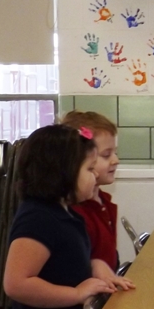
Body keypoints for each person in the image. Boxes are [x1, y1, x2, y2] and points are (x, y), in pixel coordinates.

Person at [0, 125, 132, 309]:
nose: (95, 176)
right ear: (61, 173)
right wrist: (76, 293)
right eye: (89, 169)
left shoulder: (66, 213)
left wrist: (97, 266)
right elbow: (17, 283)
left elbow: (71, 258)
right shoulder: (38, 218)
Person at [60, 111, 124, 279]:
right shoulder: (74, 214)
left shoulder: (103, 201)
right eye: (106, 155)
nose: (115, 160)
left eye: (115, 152)